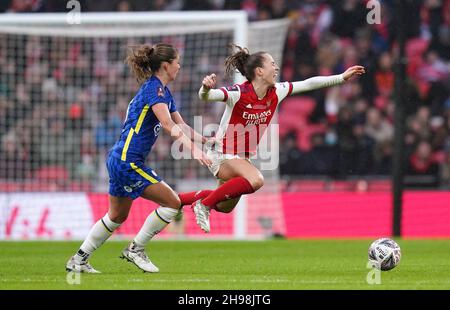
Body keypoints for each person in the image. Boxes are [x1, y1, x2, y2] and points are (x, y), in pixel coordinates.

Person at [66, 43, 212, 273]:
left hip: (119, 158)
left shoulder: (163, 91)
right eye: (177, 62)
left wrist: (206, 141)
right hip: (128, 161)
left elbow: (181, 124)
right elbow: (167, 124)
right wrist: (193, 150)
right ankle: (136, 249)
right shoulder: (154, 89)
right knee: (173, 203)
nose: (179, 66)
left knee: (116, 216)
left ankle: (78, 259)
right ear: (166, 65)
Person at [192, 44, 365, 233]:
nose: (276, 68)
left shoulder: (277, 91)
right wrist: (205, 88)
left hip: (241, 158)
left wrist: (340, 78)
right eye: (272, 64)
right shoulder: (239, 93)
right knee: (256, 180)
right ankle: (204, 205)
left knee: (224, 206)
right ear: (259, 71)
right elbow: (207, 97)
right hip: (221, 153)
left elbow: (308, 83)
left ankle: (177, 202)